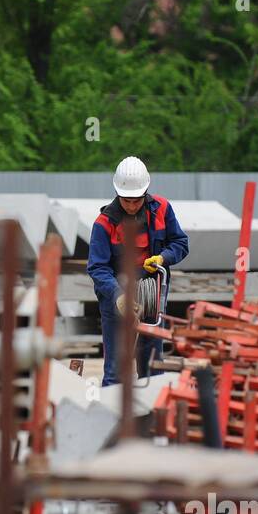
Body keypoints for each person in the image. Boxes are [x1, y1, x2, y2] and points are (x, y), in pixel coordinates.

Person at [87, 156, 190, 386]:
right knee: (115, 369)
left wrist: (163, 257)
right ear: (117, 194)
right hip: (116, 298)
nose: (132, 205)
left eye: (137, 200)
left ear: (146, 192)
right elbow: (97, 267)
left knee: (151, 364)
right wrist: (117, 296)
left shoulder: (162, 209)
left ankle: (151, 416)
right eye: (126, 201)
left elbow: (181, 244)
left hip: (151, 295)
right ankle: (112, 412)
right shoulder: (104, 224)